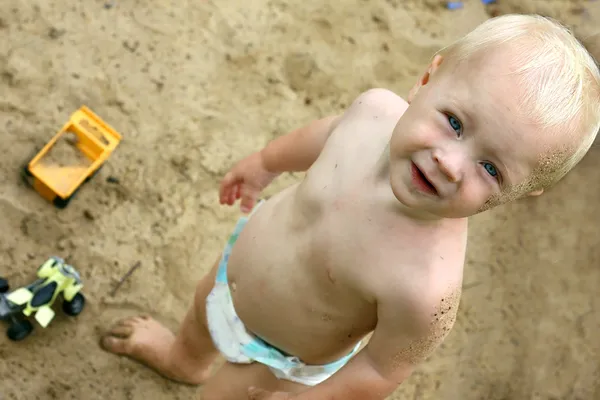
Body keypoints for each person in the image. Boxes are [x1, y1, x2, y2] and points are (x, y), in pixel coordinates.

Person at [100, 14, 600, 400]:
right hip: (237, 265)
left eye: (491, 169)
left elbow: (382, 369)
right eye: (454, 122)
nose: (451, 164)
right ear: (429, 78)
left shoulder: (427, 291)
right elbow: (317, 138)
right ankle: (184, 360)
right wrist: (265, 163)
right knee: (199, 312)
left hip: (276, 357)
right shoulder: (375, 112)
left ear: (520, 193)